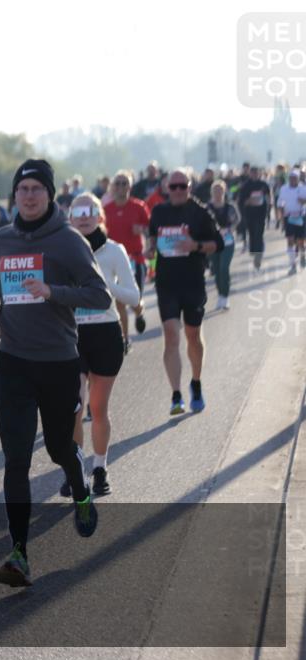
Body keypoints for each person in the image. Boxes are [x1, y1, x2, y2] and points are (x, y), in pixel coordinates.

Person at [0, 159, 110, 587]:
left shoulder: (69, 242)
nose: (30, 195)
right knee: (16, 458)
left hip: (57, 361)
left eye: (37, 188)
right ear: (14, 195)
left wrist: (54, 292)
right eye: (23, 189)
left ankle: (81, 488)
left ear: (50, 194)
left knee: (58, 448)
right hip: (13, 361)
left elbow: (99, 295)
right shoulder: (2, 238)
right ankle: (19, 552)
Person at [63, 194, 139, 497]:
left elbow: (133, 297)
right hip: (72, 335)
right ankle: (74, 471)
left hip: (106, 333)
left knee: (98, 407)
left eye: (89, 211)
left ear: (99, 215)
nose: (83, 216)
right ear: (70, 217)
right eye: (77, 211)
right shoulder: (61, 251)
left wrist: (104, 288)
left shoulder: (114, 251)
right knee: (74, 408)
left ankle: (100, 468)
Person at [146, 170, 223, 415]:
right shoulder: (158, 212)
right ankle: (176, 395)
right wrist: (149, 252)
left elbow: (218, 243)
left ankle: (196, 383)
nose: (178, 190)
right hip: (166, 282)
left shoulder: (200, 212)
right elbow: (151, 241)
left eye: (183, 186)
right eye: (174, 186)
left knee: (193, 335)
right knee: (171, 335)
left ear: (189, 187)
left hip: (193, 282)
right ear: (167, 188)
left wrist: (196, 246)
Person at [104, 170, 150, 348]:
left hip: (135, 260)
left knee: (134, 300)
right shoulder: (106, 210)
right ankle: (124, 339)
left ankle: (139, 312)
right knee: (119, 301)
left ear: (130, 186)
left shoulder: (139, 207)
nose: (121, 186)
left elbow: (150, 229)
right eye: (118, 183)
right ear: (112, 187)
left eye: (125, 183)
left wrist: (143, 231)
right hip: (114, 261)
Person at [206, 180, 240, 308]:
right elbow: (202, 223)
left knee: (224, 268)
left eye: (220, 191)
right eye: (215, 191)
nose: (218, 193)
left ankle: (225, 296)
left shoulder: (229, 207)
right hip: (212, 243)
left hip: (227, 242)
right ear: (211, 192)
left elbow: (236, 220)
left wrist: (230, 229)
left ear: (224, 192)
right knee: (216, 270)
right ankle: (220, 294)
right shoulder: (207, 208)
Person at [237, 166, 272, 272]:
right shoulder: (246, 186)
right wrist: (248, 202)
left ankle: (258, 255)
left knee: (259, 234)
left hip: (261, 213)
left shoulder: (263, 184)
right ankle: (254, 251)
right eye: (253, 173)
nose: (255, 175)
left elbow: (268, 196)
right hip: (249, 214)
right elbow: (240, 200)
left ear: (259, 173)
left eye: (257, 173)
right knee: (252, 234)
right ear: (250, 174)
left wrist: (269, 208)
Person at [276, 169, 306, 274]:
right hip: (288, 217)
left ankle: (302, 255)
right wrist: (280, 217)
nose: (293, 180)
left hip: (301, 216)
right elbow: (280, 203)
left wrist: (303, 201)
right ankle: (293, 265)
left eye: (295, 178)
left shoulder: (303, 188)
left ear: (298, 179)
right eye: (291, 178)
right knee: (290, 241)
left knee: (301, 242)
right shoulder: (284, 189)